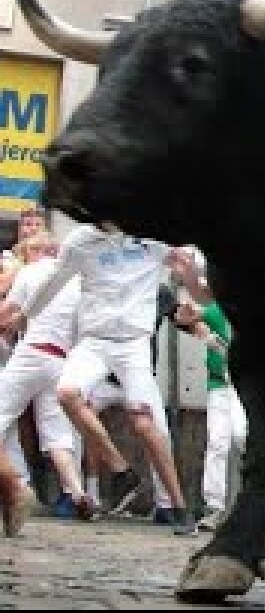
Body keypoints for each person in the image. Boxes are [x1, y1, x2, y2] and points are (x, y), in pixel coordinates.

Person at [0, 223, 196, 534]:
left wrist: (196, 292)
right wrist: (26, 313)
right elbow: (53, 282)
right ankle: (120, 471)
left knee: (147, 424)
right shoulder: (81, 241)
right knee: (66, 393)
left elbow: (191, 269)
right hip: (94, 342)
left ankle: (179, 505)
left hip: (133, 345)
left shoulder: (151, 239)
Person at [0, 230, 90, 534]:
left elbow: (8, 314)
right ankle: (77, 492)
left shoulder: (30, 272)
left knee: (2, 417)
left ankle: (17, 486)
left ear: (34, 252)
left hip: (30, 354)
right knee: (57, 436)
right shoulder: (78, 283)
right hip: (61, 359)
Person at [167, 253, 245, 532]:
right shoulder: (214, 307)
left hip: (243, 387)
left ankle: (247, 500)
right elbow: (187, 315)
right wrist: (187, 319)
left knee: (240, 436)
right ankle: (215, 506)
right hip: (218, 384)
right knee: (217, 443)